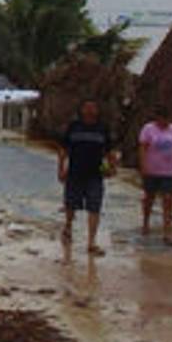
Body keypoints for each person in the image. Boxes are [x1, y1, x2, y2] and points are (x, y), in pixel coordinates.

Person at [58, 99, 117, 256]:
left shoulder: (102, 129)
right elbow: (63, 149)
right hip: (74, 173)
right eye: (87, 107)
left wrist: (113, 167)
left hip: (95, 175)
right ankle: (68, 226)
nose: (90, 110)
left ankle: (91, 242)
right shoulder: (73, 127)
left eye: (93, 107)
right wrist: (61, 168)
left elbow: (110, 150)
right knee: (70, 205)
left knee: (95, 207)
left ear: (97, 110)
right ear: (82, 109)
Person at [138, 106, 172, 245]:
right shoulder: (148, 129)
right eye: (163, 118)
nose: (166, 122)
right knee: (149, 198)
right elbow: (143, 148)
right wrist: (143, 165)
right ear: (157, 118)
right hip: (152, 169)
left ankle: (167, 232)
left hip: (169, 170)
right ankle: (145, 222)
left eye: (168, 119)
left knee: (168, 199)